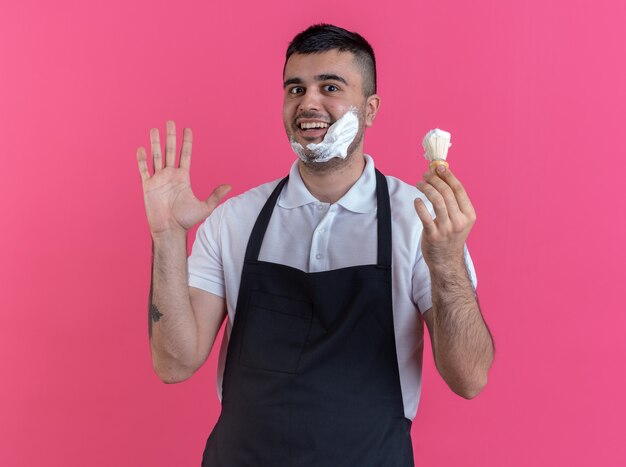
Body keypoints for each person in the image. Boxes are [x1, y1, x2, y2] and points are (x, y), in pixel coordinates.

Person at [136, 23, 494, 467]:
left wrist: (447, 264)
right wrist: (168, 237)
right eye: (295, 88)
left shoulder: (418, 220)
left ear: (370, 108)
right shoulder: (235, 220)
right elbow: (174, 364)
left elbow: (469, 378)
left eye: (330, 86)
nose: (308, 102)